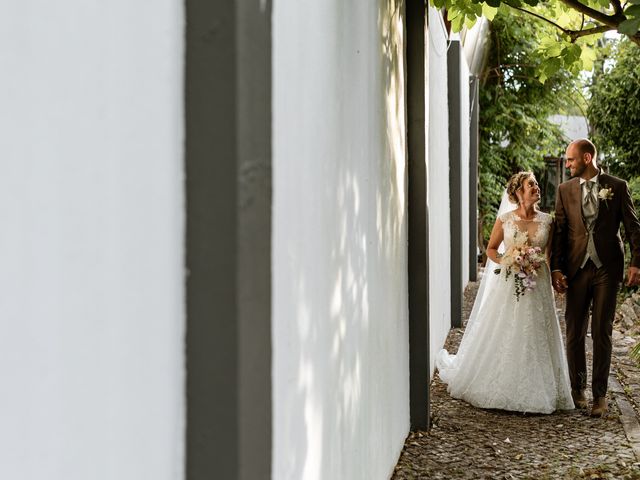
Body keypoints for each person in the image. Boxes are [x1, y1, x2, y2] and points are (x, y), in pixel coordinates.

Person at [437, 172, 573, 414]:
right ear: (518, 192)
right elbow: (490, 249)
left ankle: (540, 388)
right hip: (511, 283)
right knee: (508, 328)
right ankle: (500, 384)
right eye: (530, 184)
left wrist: (554, 278)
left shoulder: (547, 221)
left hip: (538, 284)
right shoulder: (505, 219)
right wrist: (509, 260)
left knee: (538, 331)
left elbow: (549, 256)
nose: (536, 187)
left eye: (537, 184)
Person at [551, 138, 640, 417]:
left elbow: (633, 227)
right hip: (577, 267)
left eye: (571, 160)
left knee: (602, 330)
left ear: (587, 158)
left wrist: (636, 263)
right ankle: (578, 389)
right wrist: (556, 269)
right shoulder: (564, 190)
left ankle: (600, 396)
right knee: (575, 331)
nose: (567, 165)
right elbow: (560, 233)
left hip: (607, 268)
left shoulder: (617, 186)